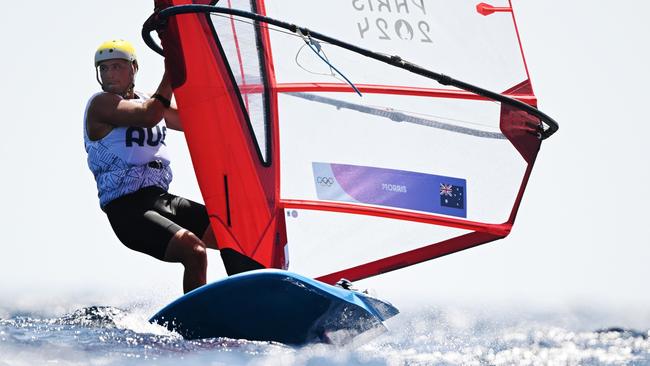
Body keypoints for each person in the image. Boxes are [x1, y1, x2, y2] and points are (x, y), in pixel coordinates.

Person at [83, 39, 215, 294]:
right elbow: (148, 116)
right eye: (104, 68)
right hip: (127, 210)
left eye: (117, 67)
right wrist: (171, 72)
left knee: (232, 234)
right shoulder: (102, 104)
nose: (109, 74)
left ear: (134, 68)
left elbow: (194, 122)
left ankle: (256, 299)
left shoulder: (149, 100)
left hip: (160, 200)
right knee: (194, 251)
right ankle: (196, 327)